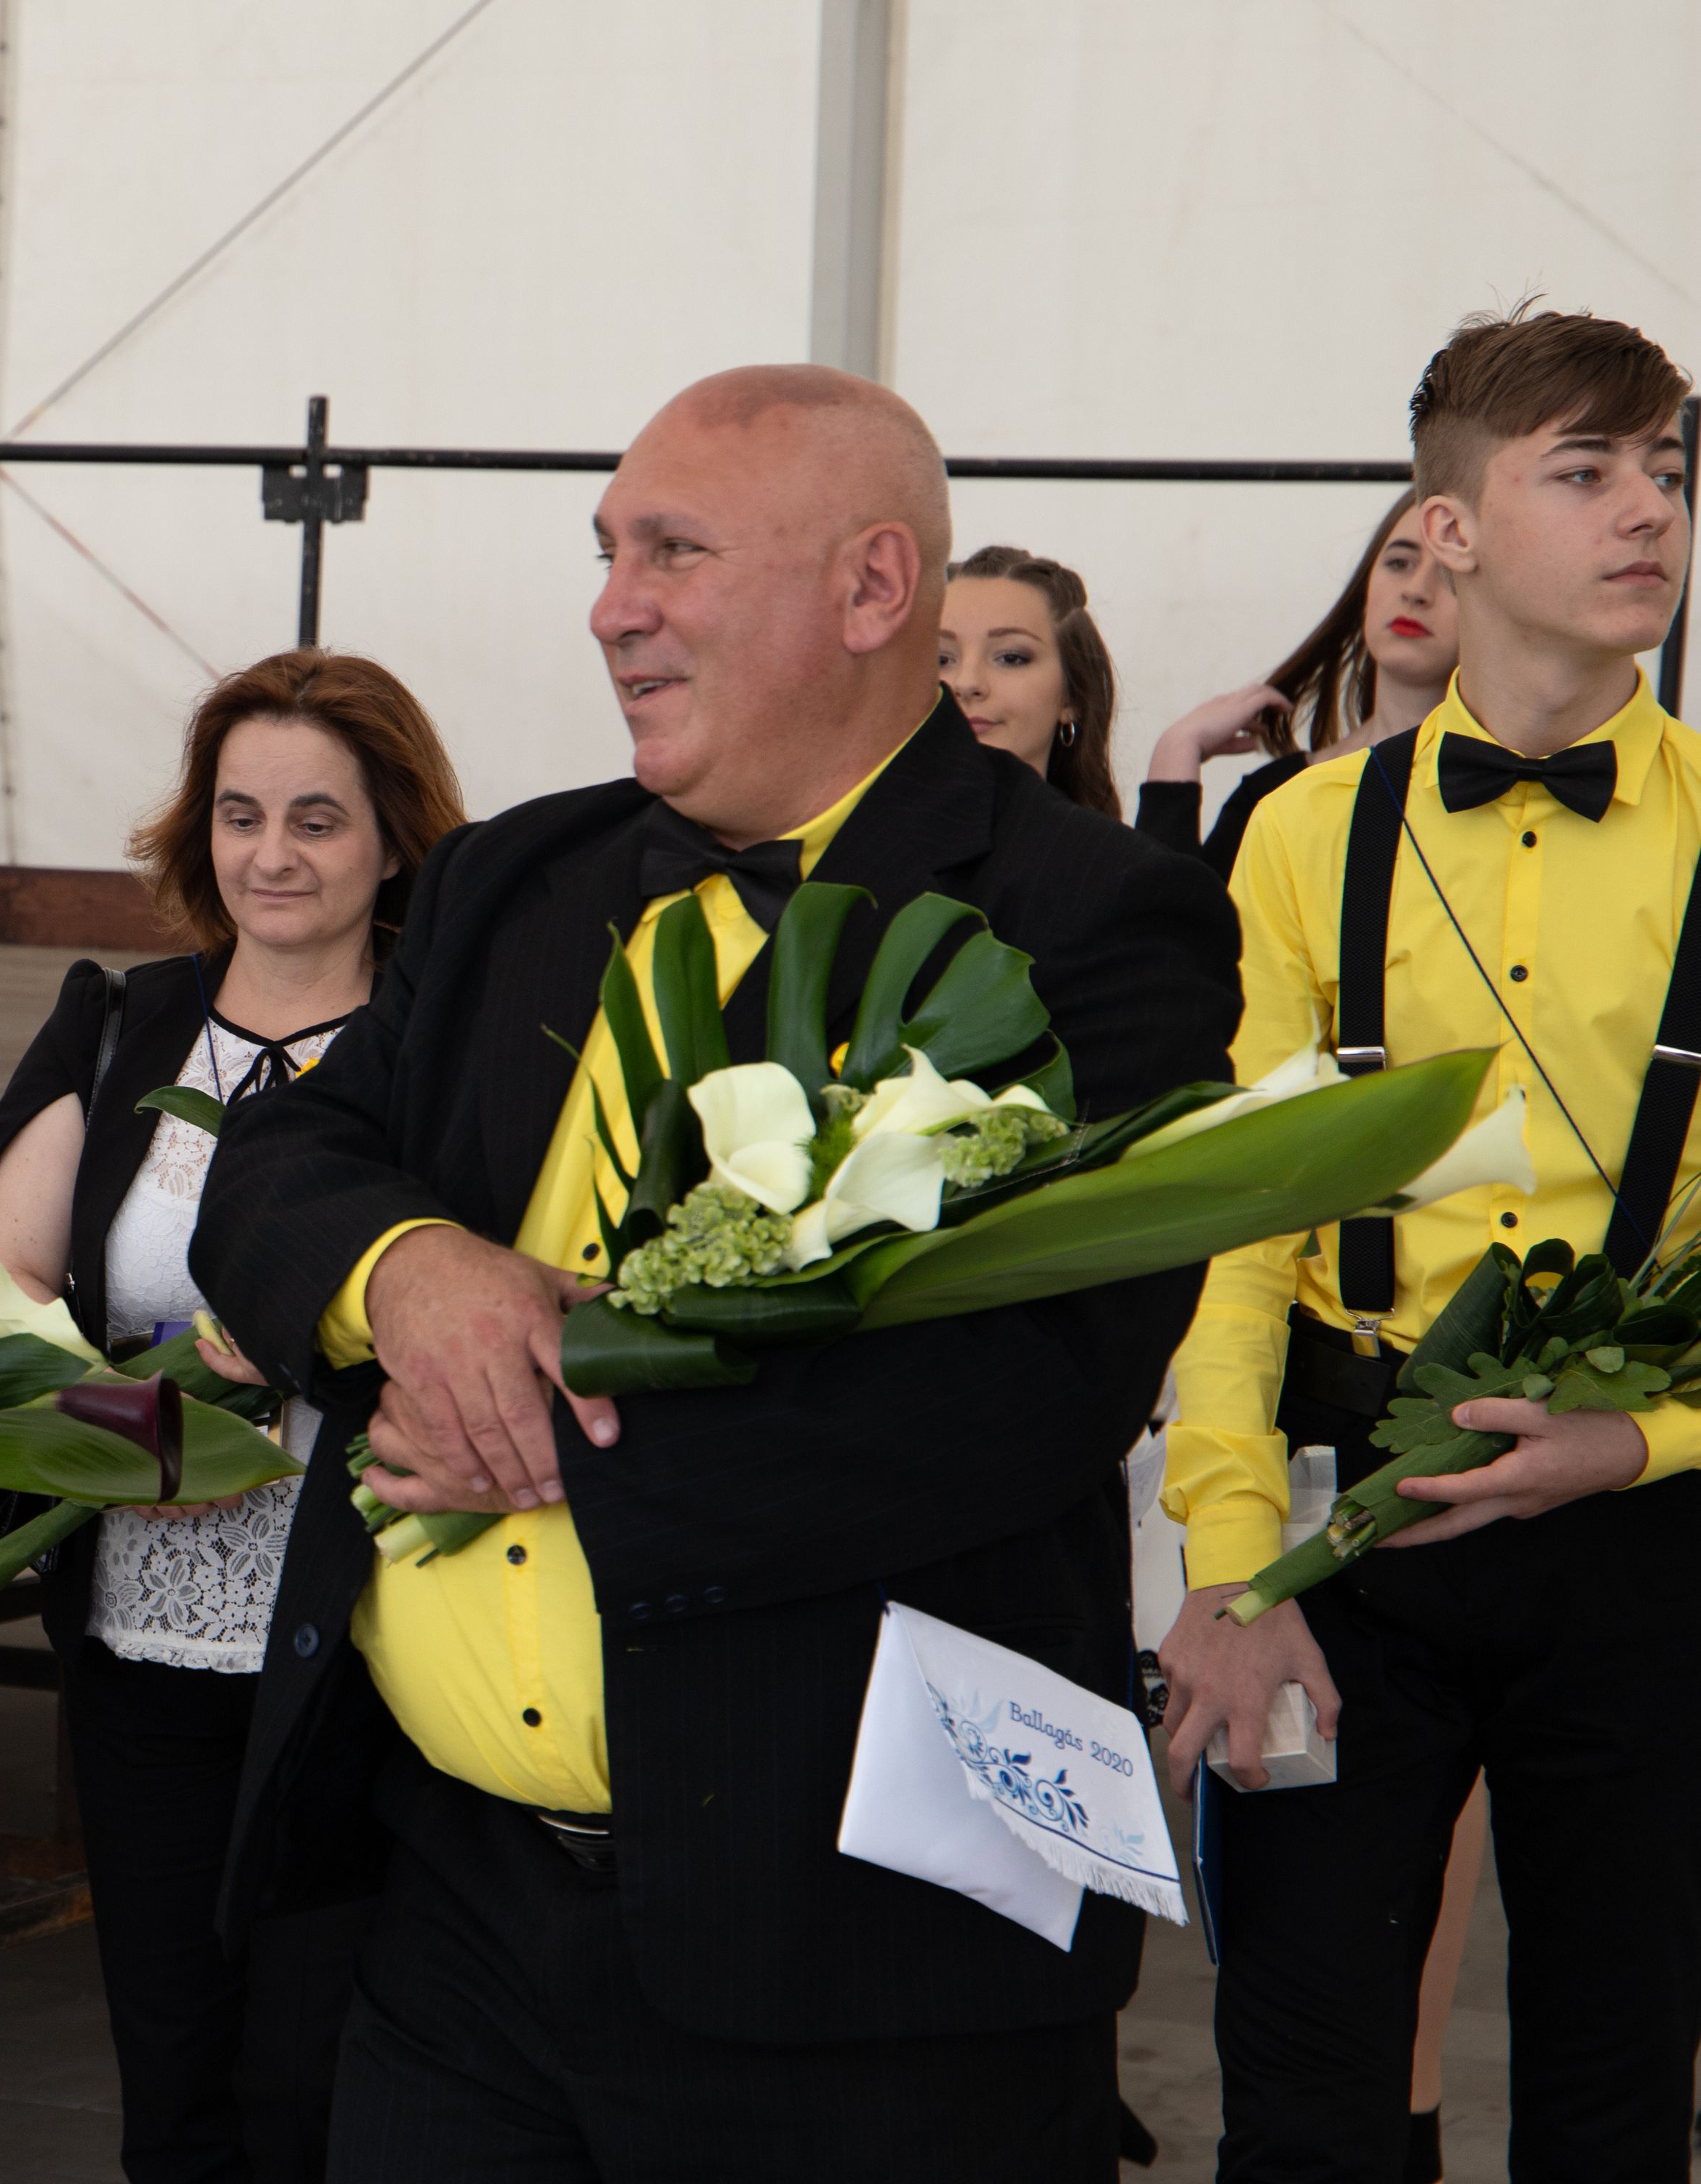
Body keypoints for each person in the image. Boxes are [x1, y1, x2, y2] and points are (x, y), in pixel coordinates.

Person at [190, 365, 1240, 2179]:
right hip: (448, 1919)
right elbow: (283, 1162)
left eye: (672, 552)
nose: (612, 607)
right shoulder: (514, 875)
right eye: (606, 553)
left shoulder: (1083, 916)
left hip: (848, 1957)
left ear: (869, 586)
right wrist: (413, 1271)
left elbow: (1024, 1383)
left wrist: (544, 1436)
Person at [1157, 306, 1700, 2180]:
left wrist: (1640, 1441)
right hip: (1349, 1520)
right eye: (1586, 471)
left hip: (1645, 1536)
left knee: (1618, 2093)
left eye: (1665, 471)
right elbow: (1236, 1222)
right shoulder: (1301, 833)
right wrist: (1236, 1564)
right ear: (1448, 528)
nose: (1649, 509)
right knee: (1301, 2096)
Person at [0, 647, 467, 2184]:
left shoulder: (439, 1055)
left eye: (318, 819)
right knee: (173, 2080)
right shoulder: (123, 1028)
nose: (272, 855)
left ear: (393, 843)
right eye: (242, 815)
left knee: (323, 2076)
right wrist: (142, 1426)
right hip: (143, 1637)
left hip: (363, 1646)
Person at [1135, 487, 1462, 877]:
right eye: (1399, 562)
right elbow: (1165, 917)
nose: (1416, 590)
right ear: (1366, 586)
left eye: (1451, 573)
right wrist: (1177, 749)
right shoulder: (1274, 796)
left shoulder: (1512, 783)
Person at [937, 542, 1122, 815]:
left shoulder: (1108, 845)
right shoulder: (871, 836)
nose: (966, 683)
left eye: (1011, 658)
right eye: (941, 660)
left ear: (1072, 697)